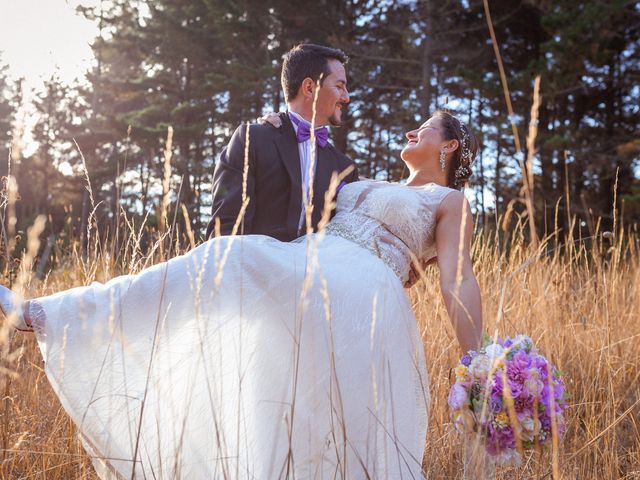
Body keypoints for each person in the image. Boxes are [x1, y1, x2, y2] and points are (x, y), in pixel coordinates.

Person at [1, 110, 482, 479]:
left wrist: (476, 362)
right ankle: (53, 314)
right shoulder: (366, 180)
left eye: (424, 128)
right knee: (226, 264)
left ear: (450, 145)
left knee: (326, 411)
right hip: (311, 259)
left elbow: (456, 278)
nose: (410, 133)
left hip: (365, 290)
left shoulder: (448, 201)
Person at [206, 43, 359, 242]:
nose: (346, 97)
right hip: (254, 269)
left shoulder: (345, 168)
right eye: (339, 86)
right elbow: (224, 232)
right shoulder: (252, 140)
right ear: (309, 88)